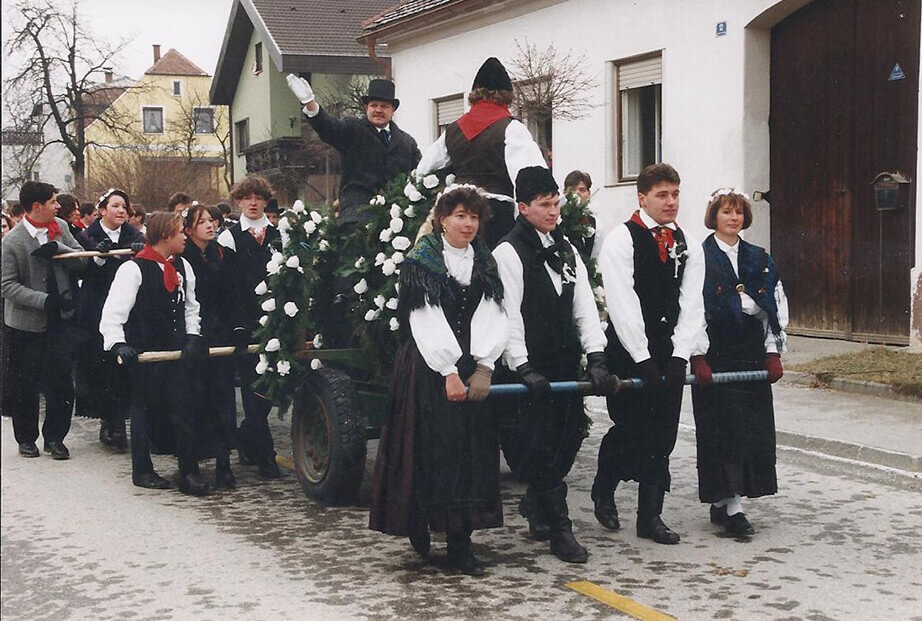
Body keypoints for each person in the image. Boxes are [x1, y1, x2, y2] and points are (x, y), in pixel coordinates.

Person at [370, 185, 507, 576]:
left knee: (470, 451)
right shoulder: (422, 260)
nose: (468, 224)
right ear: (442, 219)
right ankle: (421, 526)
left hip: (470, 361)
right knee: (429, 449)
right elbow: (423, 319)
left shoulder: (484, 260)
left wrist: (484, 366)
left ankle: (461, 543)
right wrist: (448, 370)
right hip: (427, 367)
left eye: (474, 217)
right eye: (460, 216)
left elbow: (494, 312)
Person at [492, 166, 610, 564]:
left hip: (563, 366)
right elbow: (509, 315)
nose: (554, 211)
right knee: (539, 447)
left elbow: (584, 307)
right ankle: (560, 528)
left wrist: (595, 357)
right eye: (544, 205)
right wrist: (522, 367)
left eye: (556, 202)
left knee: (572, 432)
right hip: (528, 369)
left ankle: (536, 502)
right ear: (523, 207)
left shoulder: (566, 248)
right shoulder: (507, 252)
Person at [592, 163, 707, 545]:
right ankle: (604, 485)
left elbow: (692, 302)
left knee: (663, 435)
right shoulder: (621, 238)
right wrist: (642, 357)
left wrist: (679, 354)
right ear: (642, 198)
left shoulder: (688, 242)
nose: (671, 202)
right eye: (662, 195)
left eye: (675, 194)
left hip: (668, 349)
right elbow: (623, 302)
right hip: (630, 350)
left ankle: (650, 516)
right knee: (632, 428)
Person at [692, 189, 788, 537]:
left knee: (750, 430)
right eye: (725, 212)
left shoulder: (758, 257)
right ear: (714, 216)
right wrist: (697, 355)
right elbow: (692, 310)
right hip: (718, 351)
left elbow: (774, 306)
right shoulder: (699, 258)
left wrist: (772, 351)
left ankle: (726, 502)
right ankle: (732, 507)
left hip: (750, 351)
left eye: (738, 213)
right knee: (724, 430)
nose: (733, 218)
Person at [100, 211, 209, 494]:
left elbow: (191, 306)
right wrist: (118, 343)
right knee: (143, 410)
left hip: (177, 352)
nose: (185, 237)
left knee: (185, 407)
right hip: (146, 352)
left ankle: (188, 472)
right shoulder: (133, 269)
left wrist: (193, 336)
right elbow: (112, 313)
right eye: (180, 233)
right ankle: (142, 470)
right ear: (165, 237)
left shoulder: (183, 266)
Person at [417, 57, 547, 248]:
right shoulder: (511, 128)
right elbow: (533, 179)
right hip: (497, 219)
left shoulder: (452, 130)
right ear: (507, 95)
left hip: (457, 214)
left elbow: (423, 170)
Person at [1, 181, 87, 459]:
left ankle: (55, 438)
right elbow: (7, 286)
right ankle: (26, 438)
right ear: (36, 207)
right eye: (52, 202)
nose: (58, 206)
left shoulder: (60, 227)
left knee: (61, 382)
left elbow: (81, 260)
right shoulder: (12, 241)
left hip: (61, 319)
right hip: (26, 325)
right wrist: (44, 300)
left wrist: (60, 249)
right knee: (25, 383)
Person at [286, 74, 421, 231]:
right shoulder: (353, 130)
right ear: (366, 108)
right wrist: (311, 104)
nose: (378, 110)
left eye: (384, 106)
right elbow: (329, 127)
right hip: (356, 218)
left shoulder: (406, 142)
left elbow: (420, 174)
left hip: (394, 221)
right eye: (374, 105)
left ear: (393, 110)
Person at [216, 175, 282, 479]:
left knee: (270, 392)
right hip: (245, 325)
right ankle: (266, 457)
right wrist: (238, 324)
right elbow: (227, 288)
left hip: (276, 323)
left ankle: (245, 438)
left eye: (259, 198)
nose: (253, 203)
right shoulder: (228, 238)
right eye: (247, 198)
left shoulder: (280, 235)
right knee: (254, 390)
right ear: (239, 202)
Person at [74, 188, 146, 450]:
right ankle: (109, 420)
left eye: (124, 207)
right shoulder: (87, 236)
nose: (121, 211)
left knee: (124, 366)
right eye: (115, 206)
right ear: (102, 210)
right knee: (100, 364)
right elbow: (82, 269)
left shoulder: (134, 235)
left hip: (127, 309)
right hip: (96, 306)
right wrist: (98, 257)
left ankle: (123, 418)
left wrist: (138, 251)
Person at [182, 204, 238, 489]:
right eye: (201, 222)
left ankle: (224, 463)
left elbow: (233, 293)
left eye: (211, 221)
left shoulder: (223, 255)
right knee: (195, 401)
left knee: (224, 401)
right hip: (195, 334)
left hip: (221, 334)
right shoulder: (182, 258)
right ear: (189, 229)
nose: (210, 225)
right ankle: (191, 464)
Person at [563, 170, 597, 258]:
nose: (577, 193)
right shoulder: (557, 218)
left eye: (582, 190)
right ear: (564, 193)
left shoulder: (594, 223)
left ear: (588, 193)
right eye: (573, 190)